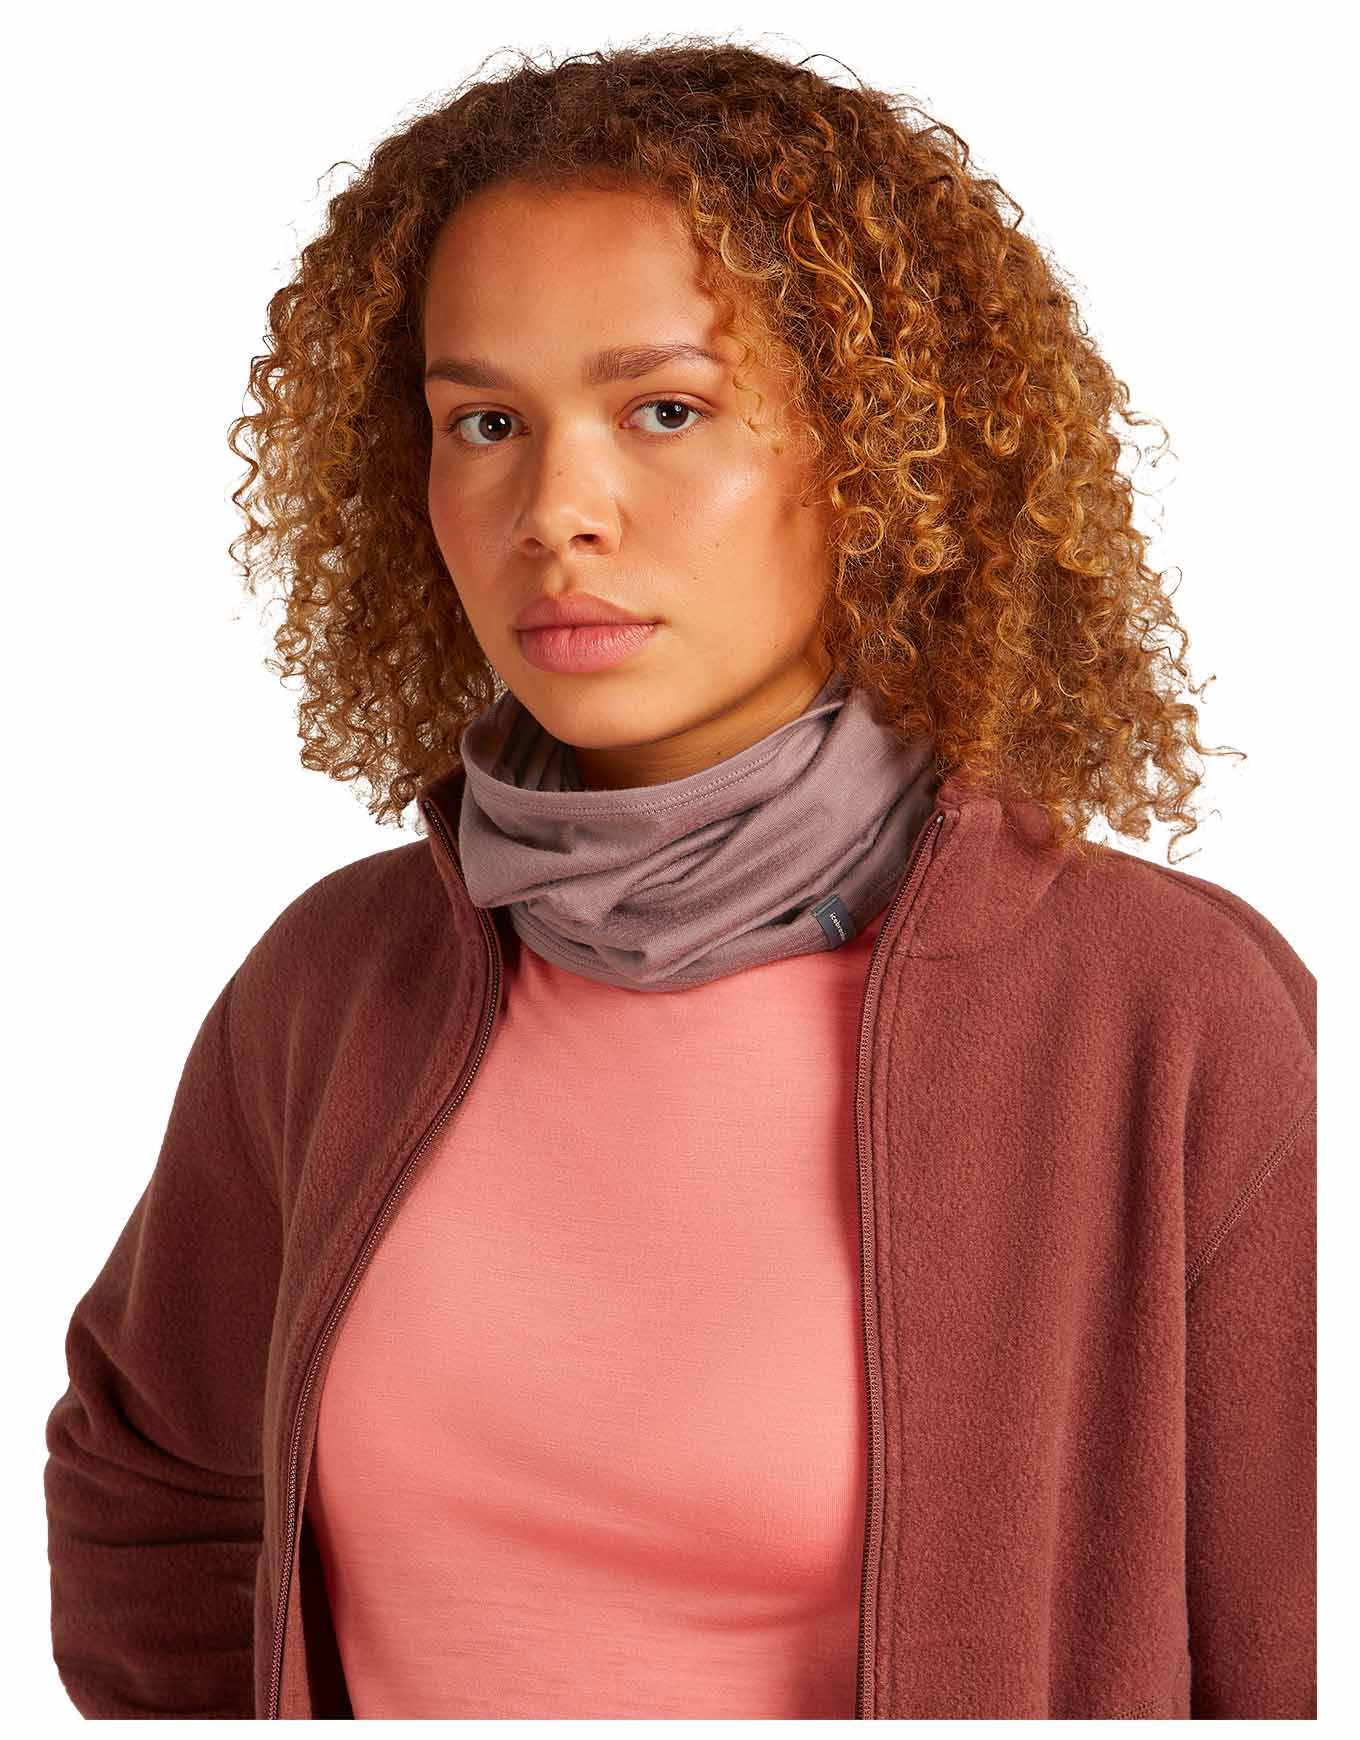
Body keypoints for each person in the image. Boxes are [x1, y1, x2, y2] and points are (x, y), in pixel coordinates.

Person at [43, 36, 1315, 1721]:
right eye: (485, 422)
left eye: (665, 410)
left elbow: (1297, 1643)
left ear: (878, 455)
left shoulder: (1161, 1016)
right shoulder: (338, 984)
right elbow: (154, 1491)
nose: (555, 511)